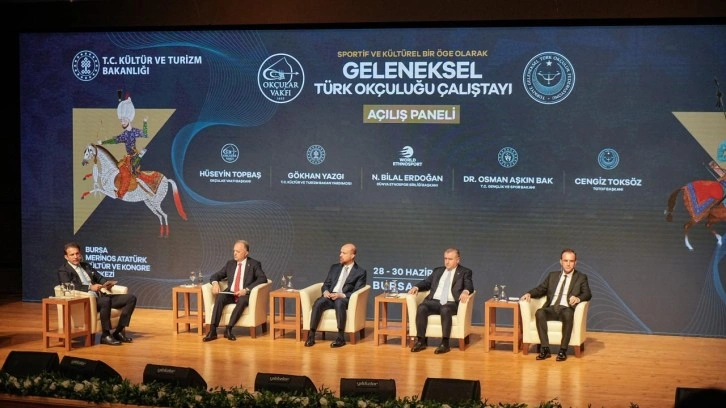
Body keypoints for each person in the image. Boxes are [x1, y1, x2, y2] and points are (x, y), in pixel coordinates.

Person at [57, 242, 137, 346]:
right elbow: (68, 286)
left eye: (77, 253)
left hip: (100, 297)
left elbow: (99, 277)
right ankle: (105, 335)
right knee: (105, 301)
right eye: (72, 255)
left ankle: (118, 332)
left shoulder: (86, 266)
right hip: (86, 300)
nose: (75, 257)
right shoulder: (63, 270)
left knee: (131, 298)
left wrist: (107, 284)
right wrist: (90, 287)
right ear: (66, 257)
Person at [519, 248, 592, 362]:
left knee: (568, 314)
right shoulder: (552, 276)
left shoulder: (581, 277)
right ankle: (545, 349)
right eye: (565, 260)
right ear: (561, 262)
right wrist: (529, 293)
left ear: (575, 263)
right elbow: (541, 289)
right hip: (552, 309)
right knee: (540, 313)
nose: (568, 264)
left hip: (566, 309)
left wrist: (578, 298)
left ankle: (563, 350)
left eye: (571, 261)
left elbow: (587, 294)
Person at [408, 247, 474, 355]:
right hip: (435, 301)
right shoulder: (438, 271)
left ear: (458, 260)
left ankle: (445, 343)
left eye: (450, 259)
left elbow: (469, 285)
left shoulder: (465, 272)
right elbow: (426, 282)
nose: (447, 262)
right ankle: (421, 341)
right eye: (445, 258)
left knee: (445, 309)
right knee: (422, 307)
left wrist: (465, 292)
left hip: (451, 303)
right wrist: (416, 287)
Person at [304, 243, 367, 348]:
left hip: (344, 299)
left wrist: (341, 295)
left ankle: (340, 338)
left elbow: (357, 291)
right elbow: (326, 284)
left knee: (339, 302)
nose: (340, 255)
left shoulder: (360, 272)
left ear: (352, 255)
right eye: (340, 252)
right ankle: (311, 336)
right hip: (330, 297)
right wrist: (326, 292)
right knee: (319, 302)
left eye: (344, 253)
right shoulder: (335, 267)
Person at [203, 240, 267, 342]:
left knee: (242, 301)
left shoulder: (254, 264)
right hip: (231, 293)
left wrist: (246, 290)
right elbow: (216, 275)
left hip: (244, 294)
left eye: (238, 251)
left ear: (246, 253)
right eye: (234, 251)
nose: (235, 253)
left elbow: (262, 278)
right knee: (220, 298)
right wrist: (215, 283)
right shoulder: (230, 264)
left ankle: (228, 329)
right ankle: (213, 331)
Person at [98, 95, 149, 199]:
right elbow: (115, 140)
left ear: (129, 119)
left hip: (134, 158)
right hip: (128, 158)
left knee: (125, 174)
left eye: (124, 120)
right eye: (121, 120)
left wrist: (144, 122)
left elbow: (145, 134)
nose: (122, 122)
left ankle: (120, 194)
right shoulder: (124, 135)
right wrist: (102, 142)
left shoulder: (134, 131)